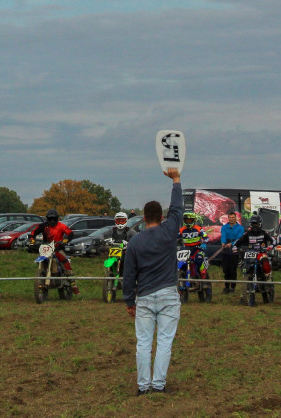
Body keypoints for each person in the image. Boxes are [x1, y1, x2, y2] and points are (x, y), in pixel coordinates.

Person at [124, 167, 184, 396]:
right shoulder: (169, 231)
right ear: (161, 217)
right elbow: (177, 209)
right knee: (165, 342)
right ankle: (158, 385)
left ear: (144, 217)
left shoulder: (135, 242)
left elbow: (128, 274)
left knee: (143, 343)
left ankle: (143, 386)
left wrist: (130, 300)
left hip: (145, 296)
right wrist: (176, 180)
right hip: (168, 294)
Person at [28, 209, 78, 294]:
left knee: (64, 261)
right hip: (46, 248)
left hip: (57, 248)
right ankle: (42, 276)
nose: (52, 221)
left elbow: (70, 233)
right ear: (47, 219)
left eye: (54, 219)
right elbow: (34, 231)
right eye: (50, 219)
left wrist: (66, 240)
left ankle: (73, 283)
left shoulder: (61, 226)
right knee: (40, 260)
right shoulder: (44, 226)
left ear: (57, 219)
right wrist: (32, 239)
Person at [234, 214, 275, 282]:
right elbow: (238, 241)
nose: (255, 226)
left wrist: (271, 246)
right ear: (250, 225)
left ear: (260, 224)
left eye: (256, 224)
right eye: (253, 224)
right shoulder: (247, 233)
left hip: (261, 253)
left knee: (265, 262)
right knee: (244, 265)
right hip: (250, 253)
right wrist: (235, 247)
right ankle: (247, 278)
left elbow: (273, 240)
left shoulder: (264, 233)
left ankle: (268, 278)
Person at [219, 211, 245, 293]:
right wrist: (223, 243)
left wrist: (232, 244)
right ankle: (226, 287)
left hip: (235, 250)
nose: (231, 219)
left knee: (233, 270)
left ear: (235, 218)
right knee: (226, 270)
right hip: (226, 250)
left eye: (233, 217)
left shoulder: (240, 228)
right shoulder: (224, 227)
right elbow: (223, 236)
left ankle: (233, 287)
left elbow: (239, 238)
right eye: (230, 217)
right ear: (228, 218)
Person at [178, 211, 209, 280]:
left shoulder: (199, 229)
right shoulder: (181, 230)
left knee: (199, 259)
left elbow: (206, 237)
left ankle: (204, 278)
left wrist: (204, 243)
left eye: (190, 220)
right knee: (178, 261)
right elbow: (174, 238)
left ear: (194, 220)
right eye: (186, 220)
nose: (188, 222)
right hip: (185, 249)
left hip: (197, 249)